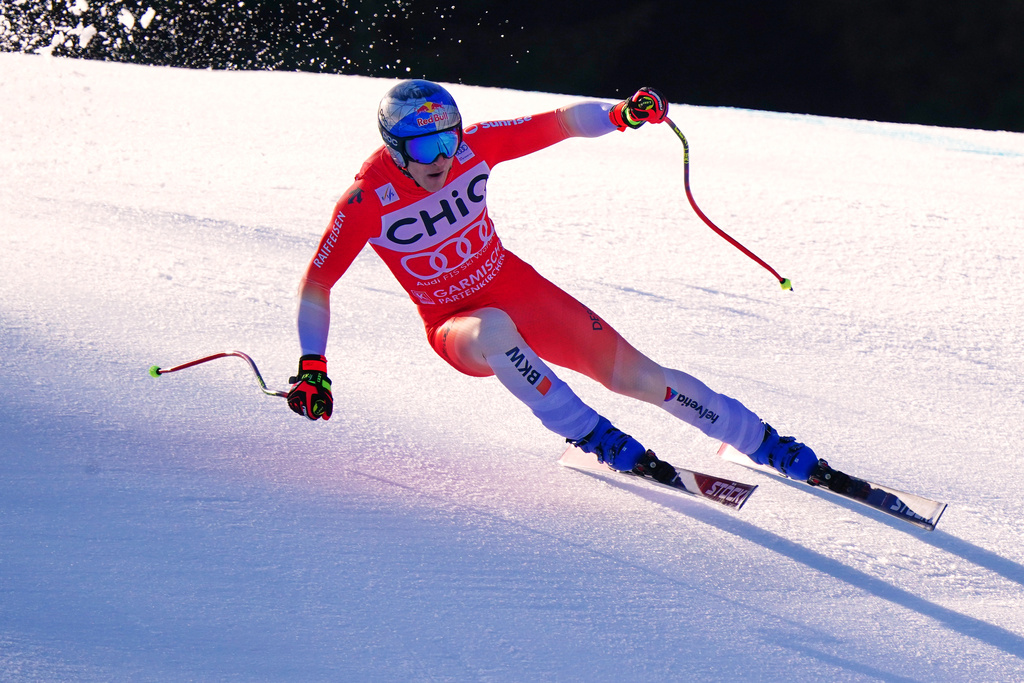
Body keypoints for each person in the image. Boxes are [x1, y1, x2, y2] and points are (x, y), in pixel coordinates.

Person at [286, 79, 823, 486]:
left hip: (520, 290)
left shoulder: (473, 148)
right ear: (396, 149)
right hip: (456, 324)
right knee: (494, 329)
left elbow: (559, 123)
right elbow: (317, 284)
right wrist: (313, 366)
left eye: (447, 142)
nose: (443, 160)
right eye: (425, 150)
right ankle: (592, 434)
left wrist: (620, 115)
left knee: (639, 376)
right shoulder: (364, 201)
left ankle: (759, 440)